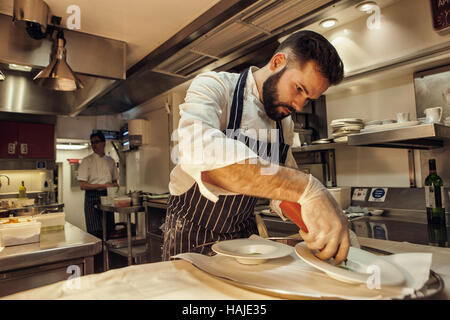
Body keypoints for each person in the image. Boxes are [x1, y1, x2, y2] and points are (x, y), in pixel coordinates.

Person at [163, 30, 349, 264]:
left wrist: (324, 228)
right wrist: (307, 188)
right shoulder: (215, 86)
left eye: (308, 98)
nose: (300, 104)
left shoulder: (284, 124)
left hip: (243, 239)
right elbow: (203, 155)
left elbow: (283, 194)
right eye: (299, 89)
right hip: (190, 233)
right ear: (277, 62)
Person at [78, 131, 119, 240]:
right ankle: (97, 256)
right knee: (95, 232)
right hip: (92, 198)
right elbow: (82, 185)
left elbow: (115, 182)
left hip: (108, 197)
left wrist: (114, 187)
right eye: (92, 143)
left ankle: (109, 256)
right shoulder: (87, 161)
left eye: (96, 142)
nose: (94, 145)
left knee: (109, 230)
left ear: (104, 143)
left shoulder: (110, 161)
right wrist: (103, 185)